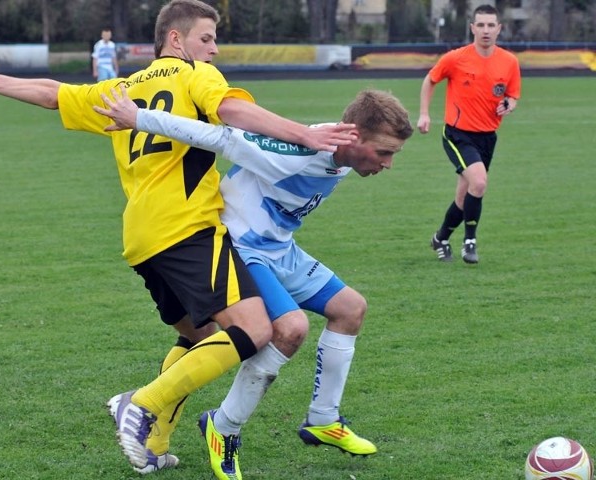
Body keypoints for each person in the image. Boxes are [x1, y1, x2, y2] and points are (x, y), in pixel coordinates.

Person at [0, 0, 356, 475]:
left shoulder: (121, 88)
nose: (213, 49)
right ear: (176, 40)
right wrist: (304, 135)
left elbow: (54, 93)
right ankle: (139, 403)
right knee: (253, 330)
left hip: (142, 237)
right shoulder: (194, 74)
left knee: (197, 337)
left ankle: (154, 442)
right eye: (206, 38)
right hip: (187, 226)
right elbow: (230, 110)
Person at [94, 84, 414, 479]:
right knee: (290, 328)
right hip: (242, 244)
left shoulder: (343, 145)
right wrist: (139, 118)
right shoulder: (296, 152)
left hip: (279, 247)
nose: (387, 164)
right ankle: (222, 429)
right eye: (383, 153)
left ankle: (322, 419)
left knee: (351, 309)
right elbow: (219, 136)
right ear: (353, 135)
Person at [417, 4, 521, 264]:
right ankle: (470, 242)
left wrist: (509, 104)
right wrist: (424, 113)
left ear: (499, 29)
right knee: (480, 183)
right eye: (481, 25)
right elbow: (430, 80)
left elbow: (512, 95)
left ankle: (440, 238)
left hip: (488, 137)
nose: (486, 30)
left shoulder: (509, 62)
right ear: (472, 28)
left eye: (491, 25)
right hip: (457, 134)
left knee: (465, 196)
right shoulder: (456, 58)